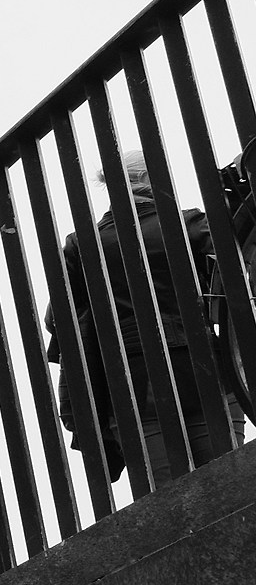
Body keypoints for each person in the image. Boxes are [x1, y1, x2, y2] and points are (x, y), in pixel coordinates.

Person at [46, 149, 241, 483]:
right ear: (148, 179)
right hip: (208, 371)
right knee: (232, 485)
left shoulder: (84, 245)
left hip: (133, 386)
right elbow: (234, 280)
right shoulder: (188, 225)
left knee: (168, 498)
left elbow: (57, 320)